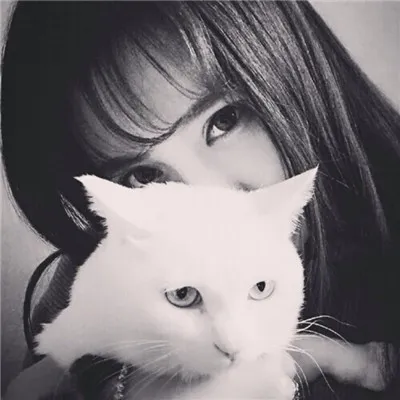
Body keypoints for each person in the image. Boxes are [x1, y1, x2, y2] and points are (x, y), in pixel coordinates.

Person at [2, 1, 400, 399]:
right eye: (144, 176)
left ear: (291, 64)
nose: (210, 203)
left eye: (224, 121)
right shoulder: (102, 265)